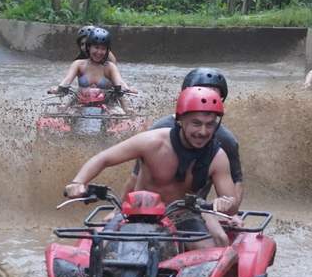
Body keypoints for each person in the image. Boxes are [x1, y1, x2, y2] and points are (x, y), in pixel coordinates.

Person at [64, 87, 236, 248]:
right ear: (180, 120)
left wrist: (225, 203)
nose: (203, 132)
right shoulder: (153, 142)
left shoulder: (218, 157)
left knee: (211, 253)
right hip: (136, 213)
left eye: (210, 124)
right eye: (196, 123)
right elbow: (103, 158)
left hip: (182, 216)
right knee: (95, 246)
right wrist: (78, 182)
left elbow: (231, 202)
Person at [122, 67, 244, 212]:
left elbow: (236, 181)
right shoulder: (158, 131)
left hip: (194, 210)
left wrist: (232, 211)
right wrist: (117, 211)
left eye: (213, 97)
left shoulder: (226, 140)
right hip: (150, 208)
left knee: (219, 235)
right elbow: (135, 176)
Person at [50, 26, 134, 100]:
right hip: (81, 102)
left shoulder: (110, 66)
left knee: (121, 112)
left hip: (106, 103)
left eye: (103, 49)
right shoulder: (78, 64)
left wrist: (127, 89)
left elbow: (119, 81)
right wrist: (59, 89)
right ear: (89, 47)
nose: (99, 52)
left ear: (107, 50)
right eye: (96, 47)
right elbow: (67, 80)